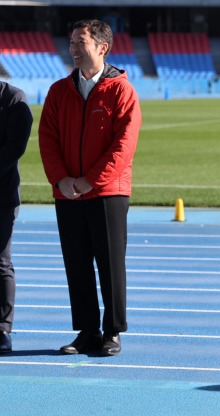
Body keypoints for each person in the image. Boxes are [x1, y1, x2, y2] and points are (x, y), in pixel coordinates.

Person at [39, 19, 142, 356]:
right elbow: (48, 140)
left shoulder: (121, 91)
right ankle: (86, 330)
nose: (73, 49)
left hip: (108, 193)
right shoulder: (58, 91)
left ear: (102, 47)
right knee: (77, 263)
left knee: (110, 264)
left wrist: (90, 181)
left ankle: (112, 331)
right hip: (67, 193)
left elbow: (123, 145)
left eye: (80, 42)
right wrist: (62, 180)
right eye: (70, 42)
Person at [0, 82, 33, 354]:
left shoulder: (13, 98)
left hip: (2, 196)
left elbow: (15, 148)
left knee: (0, 262)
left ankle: (2, 329)